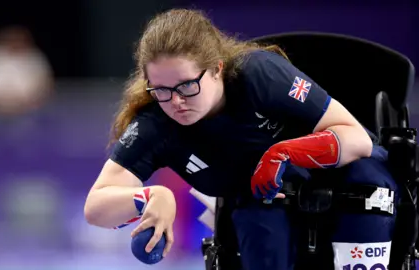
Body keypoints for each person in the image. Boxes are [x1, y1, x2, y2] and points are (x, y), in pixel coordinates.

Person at [84, 9, 397, 270]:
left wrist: (284, 153)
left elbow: (357, 139)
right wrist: (151, 197)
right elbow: (96, 206)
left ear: (217, 69)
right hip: (265, 202)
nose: (175, 101)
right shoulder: (156, 123)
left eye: (186, 86)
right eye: (161, 90)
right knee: (255, 212)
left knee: (368, 183)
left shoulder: (261, 75)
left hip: (348, 182)